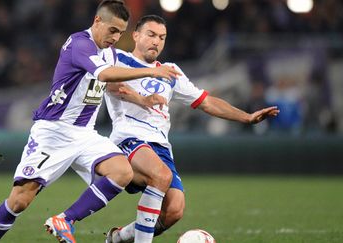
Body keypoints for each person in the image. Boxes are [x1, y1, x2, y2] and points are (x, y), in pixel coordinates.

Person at [0, 2, 180, 243]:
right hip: (54, 130)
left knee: (122, 171)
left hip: (85, 134)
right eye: (112, 30)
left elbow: (111, 84)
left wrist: (141, 99)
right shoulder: (80, 44)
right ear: (97, 21)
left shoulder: (110, 51)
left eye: (120, 32)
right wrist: (151, 72)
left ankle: (65, 220)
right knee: (19, 200)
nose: (116, 38)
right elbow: (104, 74)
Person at [104, 15, 280, 243]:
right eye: (151, 35)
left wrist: (246, 117)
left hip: (160, 147)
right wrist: (143, 97)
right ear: (136, 35)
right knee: (161, 175)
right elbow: (110, 84)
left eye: (162, 37)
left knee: (175, 210)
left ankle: (118, 238)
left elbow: (206, 101)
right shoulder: (118, 60)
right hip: (129, 138)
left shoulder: (170, 72)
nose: (156, 41)